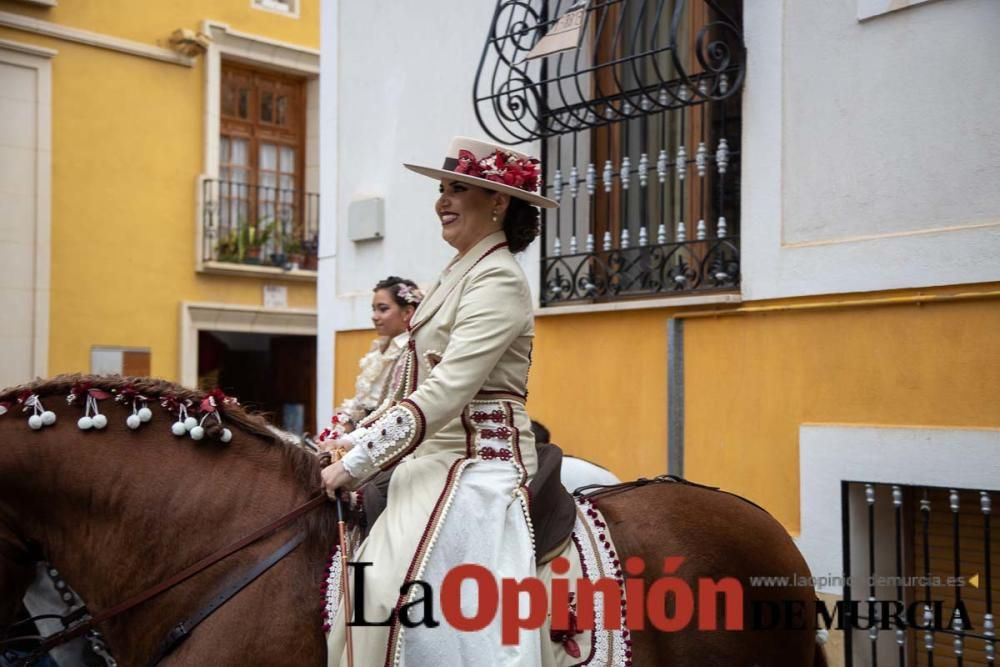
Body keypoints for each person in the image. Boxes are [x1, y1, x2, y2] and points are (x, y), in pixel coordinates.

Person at [321, 137, 557, 666]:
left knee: (378, 595)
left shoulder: (497, 278)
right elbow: (407, 389)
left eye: (458, 189)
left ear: (497, 203)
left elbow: (447, 390)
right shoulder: (459, 272)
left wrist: (356, 464)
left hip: (476, 465)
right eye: (441, 189)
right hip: (429, 459)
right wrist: (345, 442)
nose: (442, 201)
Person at [318, 277, 423, 442]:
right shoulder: (380, 348)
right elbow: (362, 402)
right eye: (374, 309)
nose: (374, 316)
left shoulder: (413, 350)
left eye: (383, 309)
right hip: (363, 434)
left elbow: (396, 408)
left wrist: (349, 440)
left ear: (407, 312)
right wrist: (338, 430)